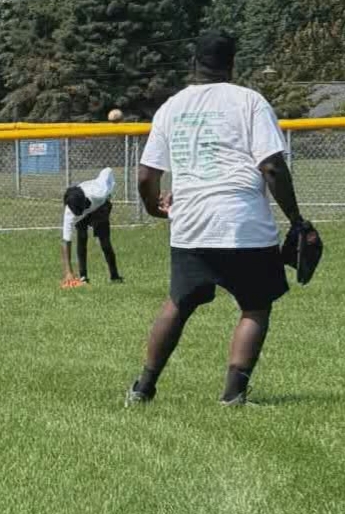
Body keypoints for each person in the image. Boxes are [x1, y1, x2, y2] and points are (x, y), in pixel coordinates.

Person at [127, 32, 310, 407]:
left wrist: (152, 209)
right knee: (255, 306)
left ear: (194, 62)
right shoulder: (249, 101)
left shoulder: (171, 107)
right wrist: (296, 219)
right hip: (243, 222)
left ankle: (142, 388)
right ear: (232, 64)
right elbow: (272, 167)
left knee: (178, 303)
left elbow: (147, 176)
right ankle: (233, 394)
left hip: (190, 222)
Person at [60, 167, 122, 287]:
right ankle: (83, 277)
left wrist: (109, 193)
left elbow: (107, 170)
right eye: (74, 211)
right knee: (81, 238)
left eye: (78, 211)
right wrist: (68, 272)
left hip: (100, 208)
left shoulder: (99, 192)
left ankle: (114, 276)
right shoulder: (70, 212)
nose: (75, 214)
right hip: (89, 205)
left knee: (104, 242)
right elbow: (66, 241)